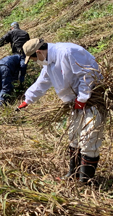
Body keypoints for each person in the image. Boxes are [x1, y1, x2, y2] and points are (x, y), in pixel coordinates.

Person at [17, 38, 105, 184]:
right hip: (76, 103)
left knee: (89, 138)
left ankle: (85, 182)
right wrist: (28, 99)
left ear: (38, 52)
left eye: (33, 59)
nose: (35, 62)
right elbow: (42, 82)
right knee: (74, 137)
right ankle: (73, 175)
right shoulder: (49, 62)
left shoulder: (67, 52)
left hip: (92, 101)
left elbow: (87, 75)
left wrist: (82, 98)